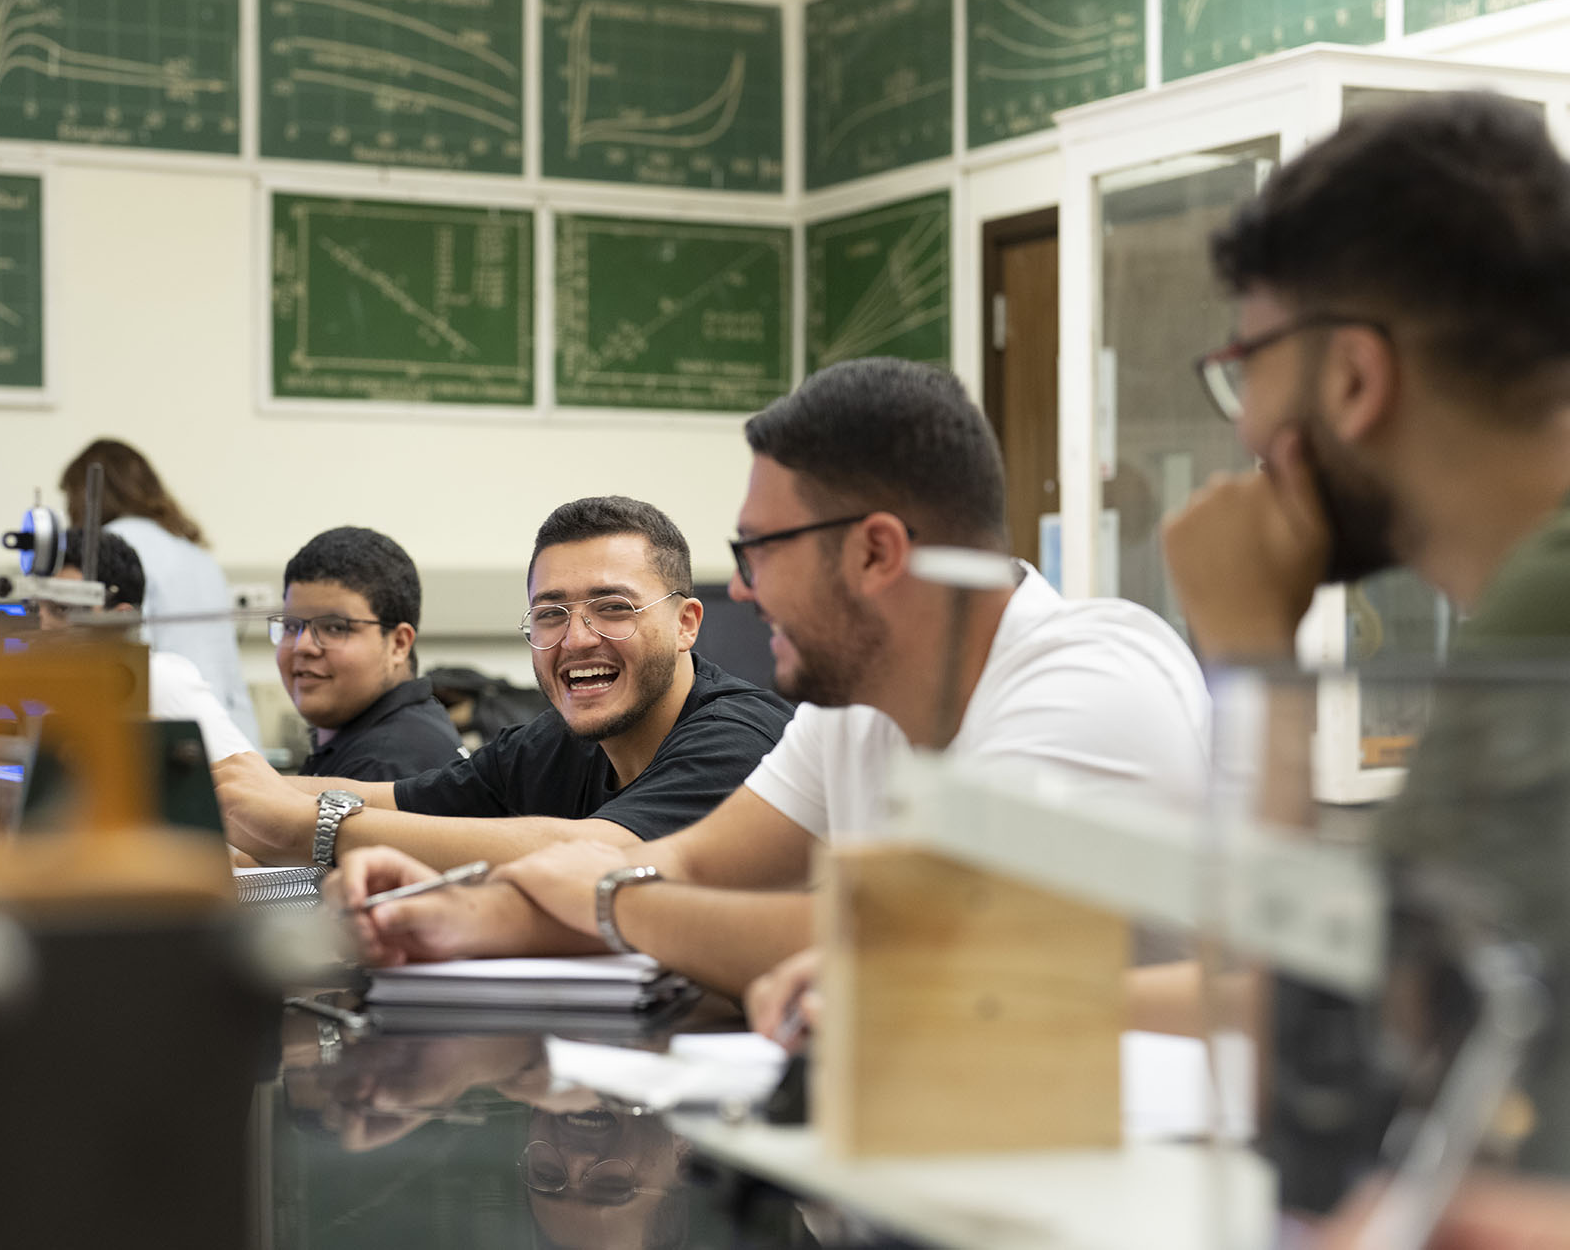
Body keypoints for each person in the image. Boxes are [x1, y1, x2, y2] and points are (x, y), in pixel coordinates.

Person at [334, 359, 1210, 997]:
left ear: (875, 551)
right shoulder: (857, 705)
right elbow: (686, 865)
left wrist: (611, 897)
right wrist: (452, 916)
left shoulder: (1094, 680)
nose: (744, 588)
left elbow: (912, 943)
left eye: (759, 550)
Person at [1159, 92, 1570, 1193]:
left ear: (1350, 376)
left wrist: (1257, 656)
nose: (1242, 433)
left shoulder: (1546, 607)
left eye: (1245, 365)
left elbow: (1311, 1094)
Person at [211, 496, 794, 871]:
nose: (577, 638)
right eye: (550, 613)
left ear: (685, 623)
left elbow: (595, 857)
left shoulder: (739, 741)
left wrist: (310, 829)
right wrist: (232, 785)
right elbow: (399, 802)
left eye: (613, 607)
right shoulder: (557, 744)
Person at [60, 438, 262, 748]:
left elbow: (126, 659)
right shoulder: (197, 554)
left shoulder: (112, 548)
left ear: (84, 497)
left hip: (168, 732)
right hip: (231, 733)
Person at [42, 529, 255, 763]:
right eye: (34, 609)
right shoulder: (57, 695)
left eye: (62, 609)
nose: (43, 625)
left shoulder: (157, 680)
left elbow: (257, 786)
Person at [275, 526, 463, 781]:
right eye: (291, 626)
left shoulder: (384, 765)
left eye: (334, 627)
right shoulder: (381, 734)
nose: (302, 645)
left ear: (398, 644)